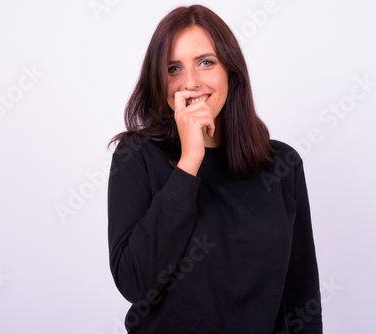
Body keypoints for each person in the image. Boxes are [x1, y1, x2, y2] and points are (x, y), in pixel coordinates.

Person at [107, 4, 322, 334]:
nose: (190, 82)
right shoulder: (137, 155)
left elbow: (300, 291)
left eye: (206, 63)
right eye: (173, 69)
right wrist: (189, 162)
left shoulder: (281, 164)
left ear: (230, 72)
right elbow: (135, 283)